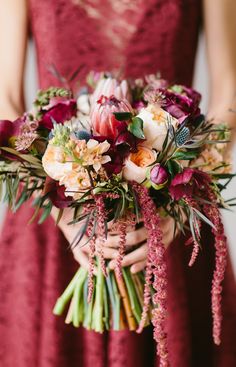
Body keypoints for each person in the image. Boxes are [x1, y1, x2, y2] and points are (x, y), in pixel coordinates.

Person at [0, 0, 236, 366]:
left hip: (172, 207)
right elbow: (5, 97)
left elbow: (230, 90)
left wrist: (178, 205)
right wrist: (58, 206)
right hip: (54, 215)